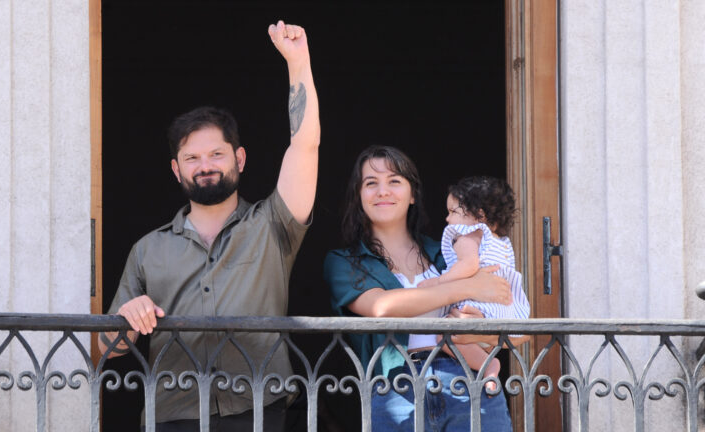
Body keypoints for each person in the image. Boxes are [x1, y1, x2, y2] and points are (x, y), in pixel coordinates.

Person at [98, 21, 320, 431]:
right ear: (175, 169)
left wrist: (298, 62)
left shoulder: (273, 226)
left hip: (258, 410)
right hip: (171, 415)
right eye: (192, 158)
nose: (205, 167)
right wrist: (127, 316)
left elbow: (304, 146)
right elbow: (108, 347)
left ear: (240, 159)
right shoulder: (148, 249)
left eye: (216, 154)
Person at [323, 145, 516, 431]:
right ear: (358, 195)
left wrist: (475, 310)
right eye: (371, 183)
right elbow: (382, 307)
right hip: (396, 389)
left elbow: (497, 306)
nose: (383, 191)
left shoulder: (447, 252)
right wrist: (465, 287)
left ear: (412, 194)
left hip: (468, 381)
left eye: (394, 181)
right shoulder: (343, 262)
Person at [419, 176, 530, 392]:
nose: (448, 219)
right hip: (503, 309)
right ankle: (487, 361)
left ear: (478, 215)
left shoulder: (466, 236)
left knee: (444, 334)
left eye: (453, 212)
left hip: (477, 305)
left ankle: (488, 365)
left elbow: (468, 266)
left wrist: (438, 282)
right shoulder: (502, 242)